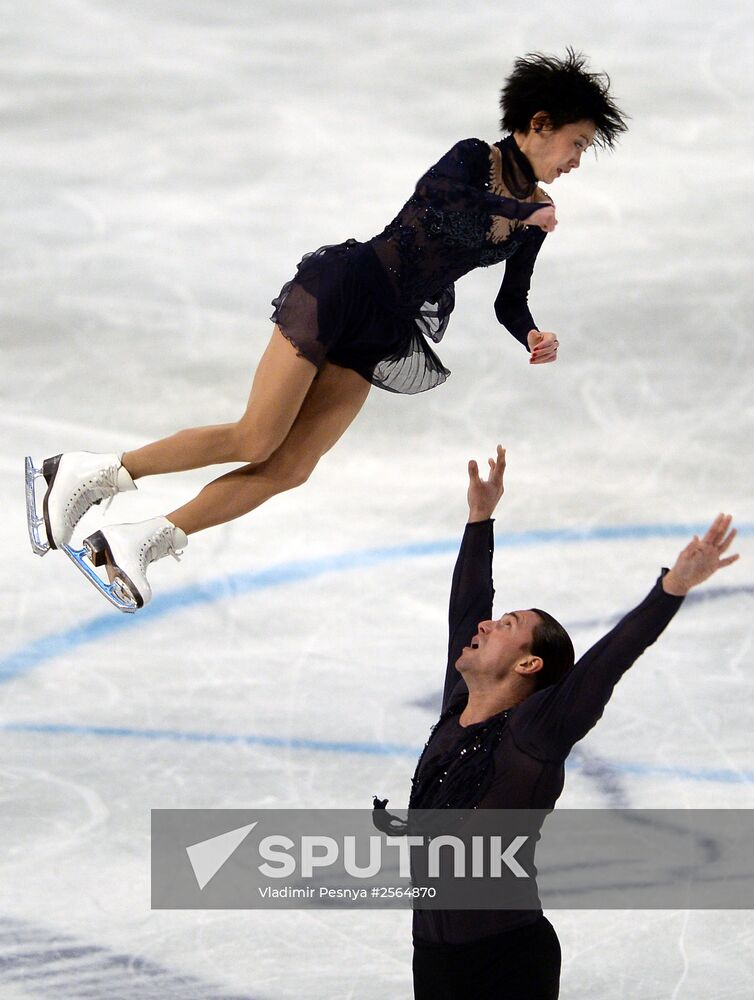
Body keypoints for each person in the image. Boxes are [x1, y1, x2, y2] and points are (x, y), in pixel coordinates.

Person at [25, 50, 628, 610]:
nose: (577, 160)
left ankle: (144, 539)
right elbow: (441, 198)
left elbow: (510, 300)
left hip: (384, 329)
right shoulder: (476, 158)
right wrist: (524, 210)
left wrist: (530, 334)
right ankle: (87, 472)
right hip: (345, 290)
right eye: (576, 143)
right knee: (256, 437)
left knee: (291, 467)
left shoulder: (533, 216)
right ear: (539, 123)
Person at [386, 445, 738, 1000]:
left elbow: (607, 662)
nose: (483, 625)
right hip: (431, 957)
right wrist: (480, 520)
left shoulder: (535, 734)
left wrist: (670, 590)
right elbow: (468, 603)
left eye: (507, 625)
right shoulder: (459, 708)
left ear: (529, 664)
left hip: (507, 960)